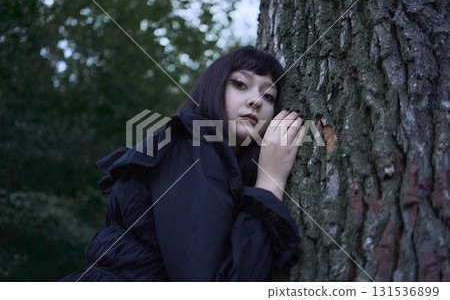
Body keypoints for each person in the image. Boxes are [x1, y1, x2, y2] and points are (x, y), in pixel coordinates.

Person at [59, 46, 304, 282]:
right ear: (214, 87)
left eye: (268, 95)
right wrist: (270, 181)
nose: (256, 101)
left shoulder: (213, 165)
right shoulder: (189, 146)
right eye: (241, 84)